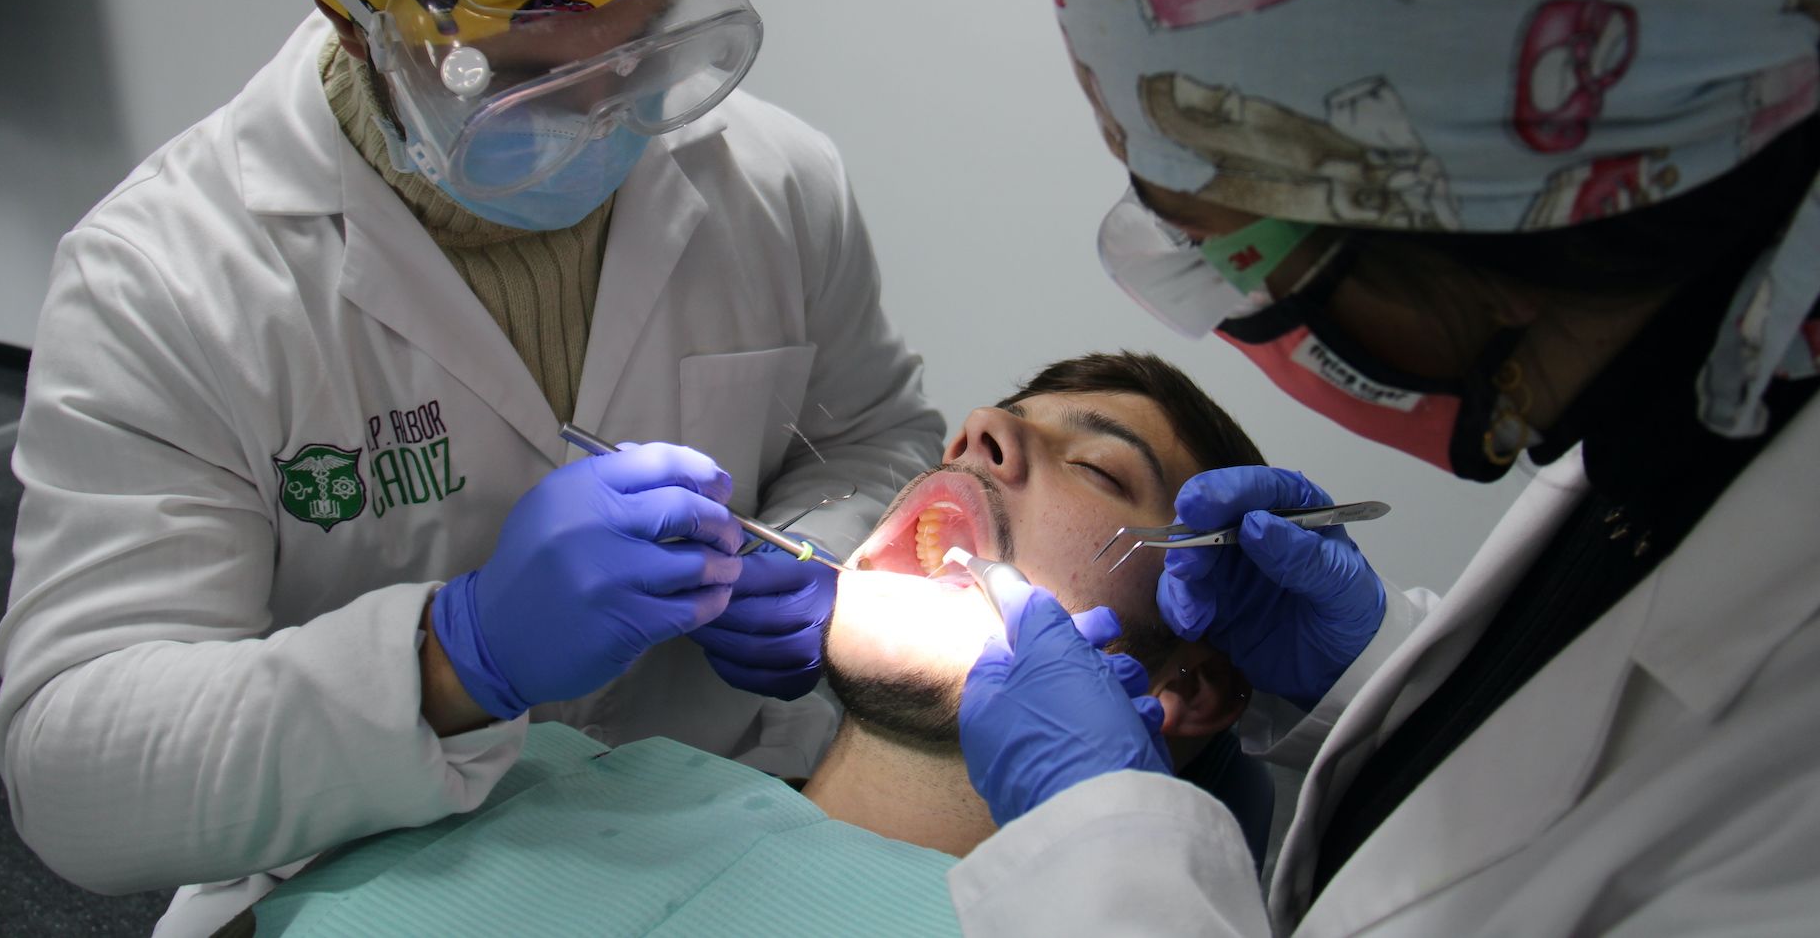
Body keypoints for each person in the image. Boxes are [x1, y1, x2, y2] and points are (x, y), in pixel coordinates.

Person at [950, 0, 1820, 933]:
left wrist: (1099, 844)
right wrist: (1372, 672)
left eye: (1245, 250)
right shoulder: (1720, 379)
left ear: (1503, 225)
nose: (1240, 305)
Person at [0, 0, 943, 935]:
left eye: (647, 41)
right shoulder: (161, 283)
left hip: (732, 820)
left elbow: (879, 432)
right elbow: (74, 772)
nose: (611, 117)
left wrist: (820, 556)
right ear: (363, 26)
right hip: (369, 875)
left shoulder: (776, 178)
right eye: (533, 76)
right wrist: (453, 657)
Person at [229, 352, 1268, 936]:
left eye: (1097, 469)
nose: (980, 434)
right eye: (991, 422)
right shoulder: (523, 774)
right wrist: (460, 663)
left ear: (1189, 685)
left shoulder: (1109, 922)